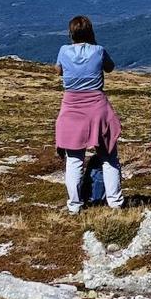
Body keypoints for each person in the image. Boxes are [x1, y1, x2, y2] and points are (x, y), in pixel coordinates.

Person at [54, 15, 124, 214]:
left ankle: (74, 206)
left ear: (71, 33)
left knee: (74, 159)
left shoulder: (63, 51)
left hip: (71, 107)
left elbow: (58, 70)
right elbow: (110, 68)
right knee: (109, 156)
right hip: (97, 108)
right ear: (91, 32)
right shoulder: (99, 51)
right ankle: (115, 203)